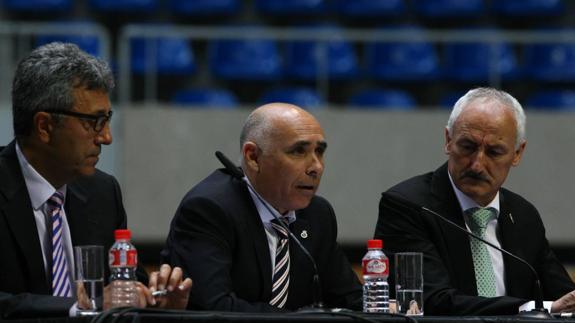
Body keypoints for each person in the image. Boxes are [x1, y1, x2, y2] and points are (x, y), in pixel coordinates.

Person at [0, 42, 192, 319]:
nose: (106, 137)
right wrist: (78, 309)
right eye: (94, 122)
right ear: (44, 126)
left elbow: (124, 287)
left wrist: (155, 300)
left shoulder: (102, 192)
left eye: (107, 119)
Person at [375, 87, 575, 315]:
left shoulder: (523, 215)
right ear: (448, 140)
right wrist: (532, 309)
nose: (477, 164)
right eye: (468, 147)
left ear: (518, 153)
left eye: (494, 151)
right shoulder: (408, 206)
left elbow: (563, 297)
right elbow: (431, 301)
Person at [163, 102, 362, 312]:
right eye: (298, 151)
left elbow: (348, 297)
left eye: (319, 151)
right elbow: (216, 308)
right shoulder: (209, 210)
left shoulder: (317, 214)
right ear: (253, 157)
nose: (316, 167)